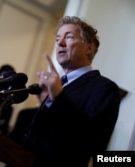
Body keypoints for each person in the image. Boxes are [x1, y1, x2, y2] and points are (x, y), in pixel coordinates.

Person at [23, 16, 121, 167]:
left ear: (89, 48)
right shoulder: (57, 85)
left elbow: (89, 139)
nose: (60, 43)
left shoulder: (104, 88)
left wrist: (58, 96)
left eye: (69, 37)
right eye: (57, 39)